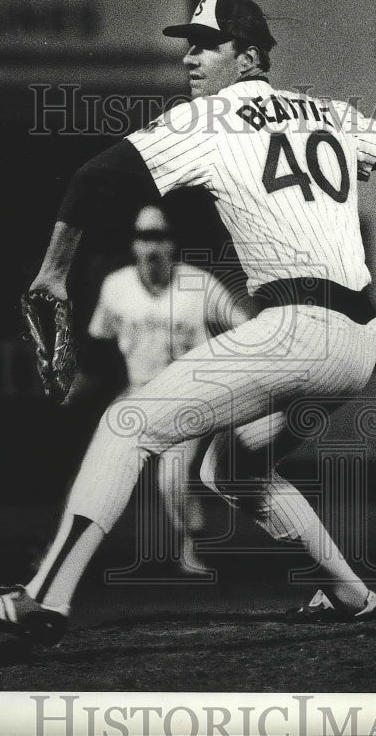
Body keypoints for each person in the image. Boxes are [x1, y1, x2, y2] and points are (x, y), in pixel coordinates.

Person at [0, 0, 376, 644]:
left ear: (249, 56)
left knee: (127, 423)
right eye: (189, 43)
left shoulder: (208, 118)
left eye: (204, 44)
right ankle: (353, 595)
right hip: (356, 346)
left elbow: (94, 176)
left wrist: (53, 270)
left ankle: (45, 597)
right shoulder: (327, 113)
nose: (189, 56)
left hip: (296, 332)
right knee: (231, 469)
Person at [87, 202, 249, 574]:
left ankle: (192, 543)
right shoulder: (116, 286)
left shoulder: (198, 282)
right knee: (96, 463)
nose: (152, 246)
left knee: (171, 477)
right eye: (144, 237)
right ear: (134, 244)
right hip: (138, 391)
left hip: (187, 393)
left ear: (172, 243)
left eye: (159, 236)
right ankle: (63, 545)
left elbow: (243, 326)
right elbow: (99, 344)